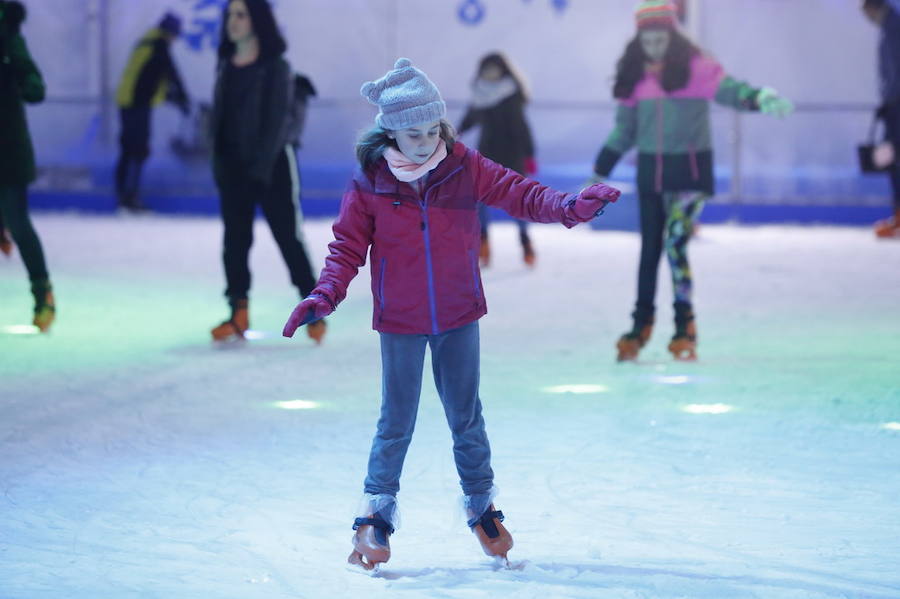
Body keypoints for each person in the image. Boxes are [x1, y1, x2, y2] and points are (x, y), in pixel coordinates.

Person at [281, 58, 620, 570]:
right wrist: (325, 295)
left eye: (432, 130)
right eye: (412, 133)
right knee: (396, 420)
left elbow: (521, 192)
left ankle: (483, 508)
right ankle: (374, 516)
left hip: (459, 313)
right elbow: (347, 247)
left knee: (466, 416)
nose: (424, 142)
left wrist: (570, 207)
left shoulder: (463, 165)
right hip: (400, 317)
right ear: (390, 132)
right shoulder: (371, 181)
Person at [592, 0, 793, 362]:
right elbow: (624, 131)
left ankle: (685, 326)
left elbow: (730, 89)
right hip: (650, 176)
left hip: (689, 175)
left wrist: (759, 98)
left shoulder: (697, 70)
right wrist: (600, 169)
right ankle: (641, 326)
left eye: (661, 39)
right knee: (649, 249)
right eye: (647, 40)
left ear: (673, 36)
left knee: (675, 243)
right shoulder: (635, 78)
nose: (654, 47)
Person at [208, 0, 323, 344]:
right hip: (234, 169)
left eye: (241, 15)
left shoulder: (276, 68)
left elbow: (276, 123)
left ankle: (314, 309)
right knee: (235, 242)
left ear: (258, 21)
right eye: (230, 15)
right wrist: (221, 164)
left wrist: (259, 168)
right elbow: (221, 121)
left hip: (273, 167)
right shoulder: (226, 65)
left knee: (288, 238)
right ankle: (238, 312)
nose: (233, 22)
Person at [0, 0, 54, 332]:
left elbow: (33, 83)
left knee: (18, 221)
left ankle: (42, 294)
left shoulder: (8, 35)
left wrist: (27, 82)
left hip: (7, 147)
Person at [459, 52, 538, 267]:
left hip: (513, 155)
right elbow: (472, 117)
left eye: (494, 69)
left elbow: (522, 127)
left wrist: (530, 154)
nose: (490, 73)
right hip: (487, 153)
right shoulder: (480, 94)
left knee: (517, 201)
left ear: (503, 70)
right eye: (486, 69)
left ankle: (525, 242)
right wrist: (455, 132)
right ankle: (482, 242)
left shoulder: (511, 93)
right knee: (480, 200)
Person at [114, 12, 190, 212]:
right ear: (169, 32)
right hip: (137, 104)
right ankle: (129, 198)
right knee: (138, 150)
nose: (175, 39)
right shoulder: (158, 46)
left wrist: (172, 97)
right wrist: (181, 98)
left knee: (129, 149)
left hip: (128, 101)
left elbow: (151, 77)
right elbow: (170, 73)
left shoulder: (147, 42)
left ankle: (125, 196)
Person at [862, 0, 900, 238]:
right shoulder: (890, 26)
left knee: (895, 159)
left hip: (897, 105)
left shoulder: (894, 27)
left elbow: (896, 69)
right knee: (893, 159)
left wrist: (890, 101)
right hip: (893, 103)